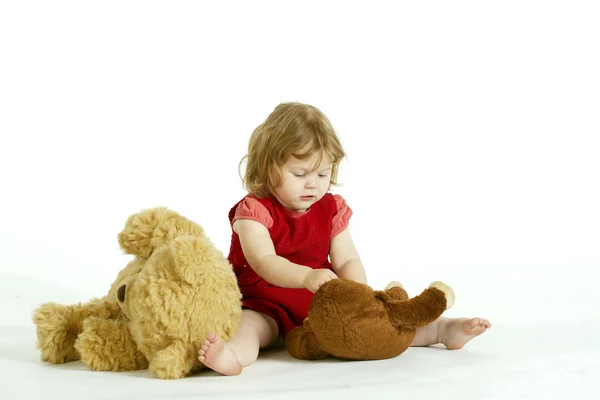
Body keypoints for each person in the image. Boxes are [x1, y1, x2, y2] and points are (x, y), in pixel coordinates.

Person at [198, 102, 491, 375]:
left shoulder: (331, 208)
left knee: (379, 323)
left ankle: (442, 330)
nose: (313, 183)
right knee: (251, 329)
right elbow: (263, 261)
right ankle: (232, 356)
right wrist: (306, 277)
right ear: (267, 167)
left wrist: (359, 293)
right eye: (299, 173)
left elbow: (347, 257)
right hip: (263, 302)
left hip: (320, 301)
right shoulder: (255, 210)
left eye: (323, 173)